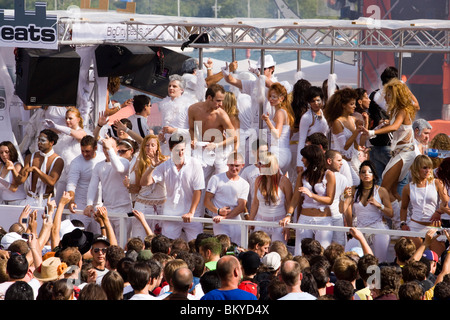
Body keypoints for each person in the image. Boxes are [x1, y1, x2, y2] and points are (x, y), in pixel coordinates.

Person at [360, 78, 419, 227]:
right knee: (392, 190)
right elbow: (416, 105)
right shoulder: (401, 109)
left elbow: (394, 128)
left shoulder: (402, 110)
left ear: (395, 95)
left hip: (405, 153)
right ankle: (403, 221)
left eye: (388, 94)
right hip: (400, 152)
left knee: (385, 187)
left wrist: (372, 132)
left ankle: (399, 223)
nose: (385, 97)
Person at [140, 134, 205, 242]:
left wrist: (191, 212)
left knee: (197, 246)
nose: (181, 153)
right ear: (170, 149)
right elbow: (144, 182)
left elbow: (198, 190)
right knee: (168, 247)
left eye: (183, 150)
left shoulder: (195, 164)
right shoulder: (164, 165)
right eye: (177, 150)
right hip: (171, 215)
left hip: (192, 216)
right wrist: (152, 167)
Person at [280, 144, 336, 255]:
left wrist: (311, 195)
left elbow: (329, 199)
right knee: (299, 252)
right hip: (305, 218)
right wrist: (288, 215)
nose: (302, 160)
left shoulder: (329, 175)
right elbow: (295, 198)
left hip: (323, 220)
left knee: (322, 253)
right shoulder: (302, 175)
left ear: (311, 158)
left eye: (304, 157)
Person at [342, 160, 393, 263]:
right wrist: (344, 197)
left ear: (374, 175)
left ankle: (377, 279)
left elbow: (391, 213)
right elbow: (341, 209)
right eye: (363, 172)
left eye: (370, 172)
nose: (366, 174)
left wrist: (379, 205)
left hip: (378, 229)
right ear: (360, 175)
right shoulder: (354, 190)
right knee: (351, 258)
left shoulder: (381, 191)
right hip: (360, 228)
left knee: (379, 261)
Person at [400, 155, 449, 256]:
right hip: (414, 226)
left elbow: (446, 202)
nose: (428, 170)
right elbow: (403, 208)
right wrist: (403, 223)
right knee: (415, 258)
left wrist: (438, 212)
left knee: (436, 258)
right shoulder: (407, 188)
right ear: (417, 168)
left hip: (433, 227)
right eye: (425, 168)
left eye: (430, 167)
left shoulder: (437, 183)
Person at [84, 137, 132, 236]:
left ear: (117, 148)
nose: (107, 150)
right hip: (108, 209)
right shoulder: (98, 166)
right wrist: (89, 204)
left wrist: (110, 148)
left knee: (121, 243)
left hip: (123, 208)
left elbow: (119, 168)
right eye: (105, 148)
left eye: (110, 147)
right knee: (107, 242)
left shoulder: (124, 161)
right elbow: (93, 186)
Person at [128, 134, 168, 239]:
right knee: (140, 238)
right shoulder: (139, 162)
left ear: (158, 147)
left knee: (159, 239)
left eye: (153, 145)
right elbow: (138, 187)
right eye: (147, 145)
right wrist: (128, 186)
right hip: (143, 205)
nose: (150, 148)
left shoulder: (165, 162)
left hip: (161, 205)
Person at [204, 152, 249, 246]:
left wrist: (224, 217)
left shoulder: (244, 184)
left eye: (237, 165)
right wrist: (218, 211)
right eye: (231, 165)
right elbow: (206, 201)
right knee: (221, 249)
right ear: (227, 164)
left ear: (242, 165)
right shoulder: (215, 179)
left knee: (237, 250)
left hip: (235, 222)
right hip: (219, 222)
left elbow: (241, 206)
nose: (234, 168)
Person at [45, 106, 88, 203]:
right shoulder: (63, 133)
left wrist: (56, 126)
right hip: (63, 174)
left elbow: (76, 134)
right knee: (59, 201)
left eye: (70, 118)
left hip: (77, 176)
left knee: (75, 203)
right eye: (66, 118)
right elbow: (58, 132)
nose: (67, 120)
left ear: (78, 119)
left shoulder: (82, 132)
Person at [249, 152, 292, 244]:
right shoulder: (259, 180)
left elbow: (289, 203)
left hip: (278, 223)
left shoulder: (284, 181)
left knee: (277, 253)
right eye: (259, 164)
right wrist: (251, 221)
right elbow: (255, 203)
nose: (260, 167)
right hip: (260, 222)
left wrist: (287, 226)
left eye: (263, 165)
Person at [66, 135, 105, 234]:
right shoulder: (76, 162)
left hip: (98, 205)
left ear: (95, 148)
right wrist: (71, 201)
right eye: (82, 151)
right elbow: (71, 184)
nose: (84, 154)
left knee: (100, 237)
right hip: (80, 205)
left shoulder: (103, 157)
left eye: (87, 151)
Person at [324, 87, 361, 186]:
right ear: (344, 105)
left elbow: (358, 142)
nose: (354, 106)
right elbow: (344, 146)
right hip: (342, 162)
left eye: (355, 103)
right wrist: (356, 132)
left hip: (354, 160)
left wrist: (364, 128)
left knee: (358, 184)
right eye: (352, 104)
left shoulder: (353, 119)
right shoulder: (337, 122)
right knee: (350, 186)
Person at [16, 129, 64, 207]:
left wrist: (36, 170)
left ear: (51, 143)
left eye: (42, 140)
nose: (39, 143)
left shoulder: (58, 160)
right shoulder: (30, 157)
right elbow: (21, 180)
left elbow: (51, 181)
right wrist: (13, 170)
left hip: (46, 201)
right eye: (38, 139)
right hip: (30, 199)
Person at [261, 83, 295, 174]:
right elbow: (289, 134)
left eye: (274, 97)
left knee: (271, 181)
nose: (270, 99)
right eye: (270, 96)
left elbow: (277, 134)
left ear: (281, 98)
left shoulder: (280, 112)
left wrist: (267, 121)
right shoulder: (286, 112)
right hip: (287, 152)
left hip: (277, 151)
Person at [158, 74, 196, 156]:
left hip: (183, 150)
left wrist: (175, 131)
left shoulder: (188, 106)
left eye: (174, 86)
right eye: (169, 86)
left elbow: (194, 132)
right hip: (168, 150)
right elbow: (164, 128)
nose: (171, 88)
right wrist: (162, 137)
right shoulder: (165, 105)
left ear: (181, 90)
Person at [296, 86, 329, 175]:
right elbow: (302, 139)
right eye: (312, 101)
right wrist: (299, 163)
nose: (315, 103)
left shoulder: (323, 114)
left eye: (318, 100)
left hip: (321, 154)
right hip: (310, 154)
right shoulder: (306, 117)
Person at [325, 150, 351, 247]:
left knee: (339, 247)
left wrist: (350, 225)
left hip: (337, 218)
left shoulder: (343, 179)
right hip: (322, 218)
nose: (342, 163)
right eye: (339, 160)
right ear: (329, 161)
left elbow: (344, 207)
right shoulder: (320, 176)